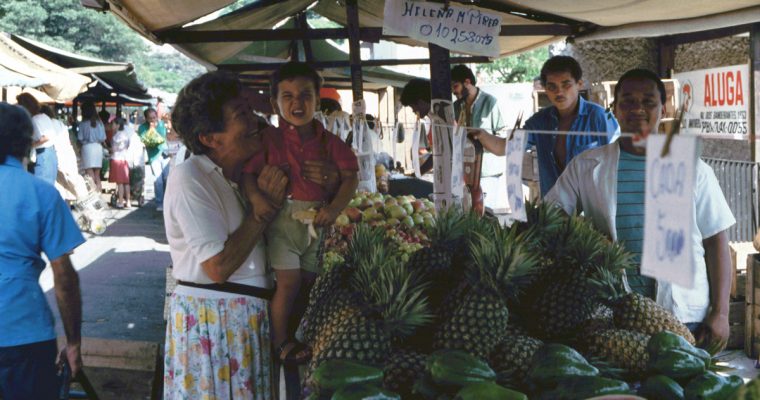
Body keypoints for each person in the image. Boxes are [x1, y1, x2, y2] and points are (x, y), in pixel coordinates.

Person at [545, 68, 734, 353]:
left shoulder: (693, 168)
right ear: (614, 108)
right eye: (628, 101)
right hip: (614, 318)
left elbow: (716, 240)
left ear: (663, 108)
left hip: (683, 318)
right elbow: (550, 216)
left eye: (648, 101)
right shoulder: (587, 165)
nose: (638, 109)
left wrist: (720, 313)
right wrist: (586, 239)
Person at [163, 71, 286, 398]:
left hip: (242, 323)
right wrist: (261, 213)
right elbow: (217, 267)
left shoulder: (240, 176)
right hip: (214, 326)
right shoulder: (190, 178)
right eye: (241, 114)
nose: (255, 119)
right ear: (210, 138)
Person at [242, 62, 358, 366]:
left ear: (318, 101)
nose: (297, 103)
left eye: (305, 95)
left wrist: (334, 209)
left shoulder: (330, 142)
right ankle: (280, 342)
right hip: (282, 222)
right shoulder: (269, 140)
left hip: (318, 222)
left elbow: (350, 177)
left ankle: (296, 333)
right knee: (289, 283)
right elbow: (248, 176)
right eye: (288, 96)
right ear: (274, 103)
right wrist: (257, 201)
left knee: (309, 280)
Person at [0, 102, 84, 398]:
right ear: (27, 143)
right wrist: (73, 341)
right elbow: (64, 277)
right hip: (25, 333)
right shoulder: (41, 193)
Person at [471, 56, 619, 197]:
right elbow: (505, 147)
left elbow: (618, 163)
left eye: (566, 85)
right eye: (552, 86)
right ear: (544, 88)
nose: (559, 92)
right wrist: (482, 135)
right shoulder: (540, 121)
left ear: (579, 84)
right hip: (554, 208)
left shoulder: (599, 117)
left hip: (592, 208)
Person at [451, 64, 507, 211]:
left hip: (488, 172)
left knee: (485, 214)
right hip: (465, 170)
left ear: (467, 82)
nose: (453, 91)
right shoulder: (456, 107)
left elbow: (501, 136)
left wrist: (483, 138)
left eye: (455, 86)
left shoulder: (490, 103)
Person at [41, 106, 89, 202]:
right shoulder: (60, 123)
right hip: (68, 154)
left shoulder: (48, 124)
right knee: (69, 188)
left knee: (62, 187)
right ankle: (84, 202)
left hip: (58, 156)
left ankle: (83, 201)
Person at [16, 93, 59, 185]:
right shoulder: (44, 116)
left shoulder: (35, 119)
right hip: (51, 153)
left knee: (42, 185)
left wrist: (30, 145)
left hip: (43, 154)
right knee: (48, 185)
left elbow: (45, 137)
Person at [400, 78, 434, 174]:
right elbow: (436, 155)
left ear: (421, 102)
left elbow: (439, 155)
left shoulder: (441, 119)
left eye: (412, 106)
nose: (413, 111)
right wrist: (417, 174)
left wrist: (417, 174)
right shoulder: (433, 119)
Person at [137, 108, 168, 211]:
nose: (153, 120)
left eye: (154, 117)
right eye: (150, 118)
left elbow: (162, 137)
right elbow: (146, 140)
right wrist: (151, 128)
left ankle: (168, 202)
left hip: (165, 154)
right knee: (158, 180)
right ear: (146, 119)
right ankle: (160, 203)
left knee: (166, 179)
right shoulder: (142, 127)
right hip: (153, 156)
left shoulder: (162, 124)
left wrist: (156, 127)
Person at [78, 102, 107, 193]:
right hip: (98, 148)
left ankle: (93, 194)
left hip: (87, 148)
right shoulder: (100, 123)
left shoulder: (83, 124)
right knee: (97, 174)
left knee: (89, 173)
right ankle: (99, 193)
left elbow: (80, 138)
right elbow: (103, 138)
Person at [109, 117, 132, 208]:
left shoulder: (116, 136)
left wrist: (108, 149)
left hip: (117, 159)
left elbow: (114, 149)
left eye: (113, 124)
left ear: (118, 125)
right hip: (125, 159)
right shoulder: (126, 135)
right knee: (126, 182)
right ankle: (128, 201)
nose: (112, 126)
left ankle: (121, 201)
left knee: (120, 182)